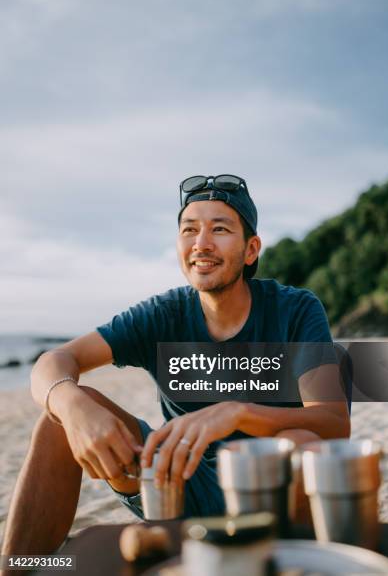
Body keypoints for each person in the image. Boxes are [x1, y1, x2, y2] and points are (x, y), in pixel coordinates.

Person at [1, 174, 350, 562]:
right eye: (189, 230)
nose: (202, 243)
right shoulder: (162, 314)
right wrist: (69, 403)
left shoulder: (295, 310)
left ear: (251, 250)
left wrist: (237, 412)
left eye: (220, 229)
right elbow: (53, 361)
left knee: (303, 448)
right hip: (173, 487)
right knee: (57, 419)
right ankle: (17, 569)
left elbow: (334, 423)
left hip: (268, 494)